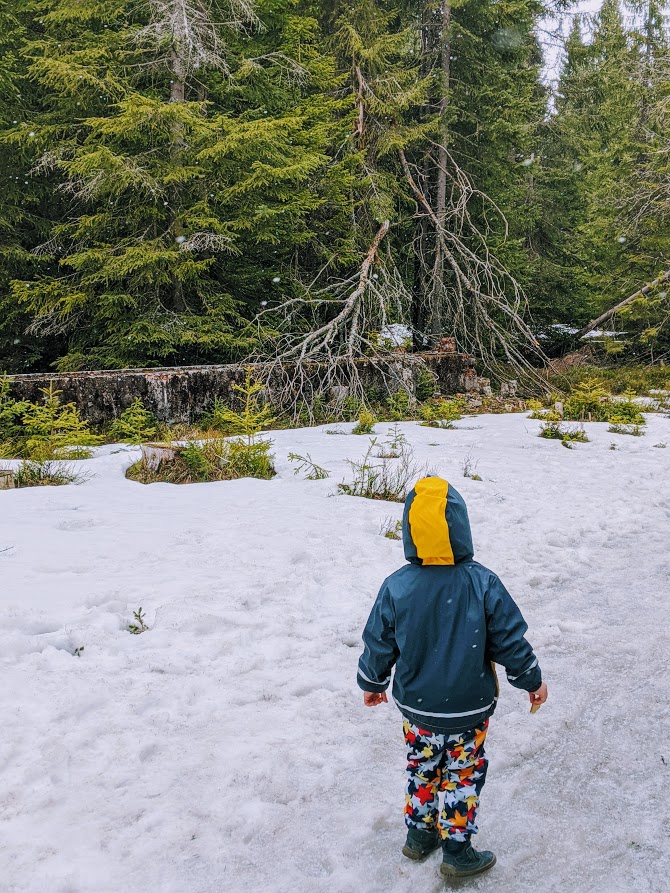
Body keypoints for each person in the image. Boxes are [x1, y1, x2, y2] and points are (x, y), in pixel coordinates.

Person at [357, 476, 548, 879]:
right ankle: (457, 850)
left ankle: (419, 835)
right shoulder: (483, 583)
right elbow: (510, 641)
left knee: (421, 766)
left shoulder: (397, 586)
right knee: (462, 773)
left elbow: (379, 642)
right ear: (460, 528)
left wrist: (372, 683)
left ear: (411, 531)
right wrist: (531, 680)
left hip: (418, 709)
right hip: (470, 708)